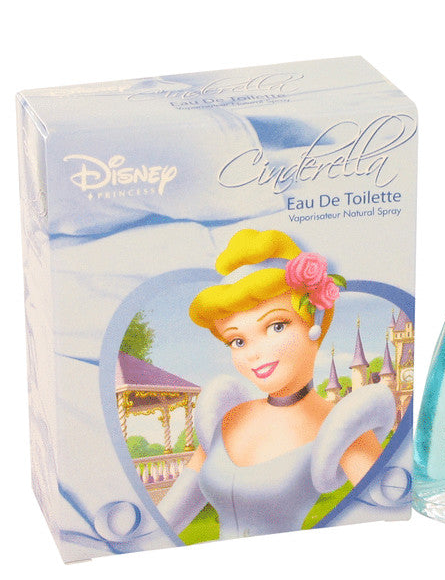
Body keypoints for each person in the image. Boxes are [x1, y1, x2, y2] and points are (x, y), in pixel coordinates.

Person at [158, 229, 395, 538]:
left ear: (314, 323)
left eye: (276, 326)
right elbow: (164, 522)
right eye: (238, 341)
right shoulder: (228, 417)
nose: (253, 353)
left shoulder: (342, 427)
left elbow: (388, 520)